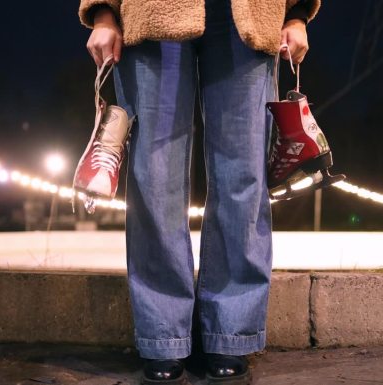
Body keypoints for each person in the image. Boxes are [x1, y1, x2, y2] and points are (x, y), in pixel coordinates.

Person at [79, 0, 319, 383]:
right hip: (151, 9)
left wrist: (296, 13)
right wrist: (104, 12)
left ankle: (231, 330)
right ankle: (163, 335)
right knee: (154, 178)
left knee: (243, 174)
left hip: (249, 12)